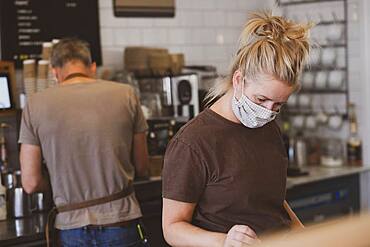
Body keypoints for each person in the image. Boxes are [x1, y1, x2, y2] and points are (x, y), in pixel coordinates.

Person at [162, 11, 312, 247]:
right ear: (239, 80)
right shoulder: (193, 143)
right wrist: (225, 241)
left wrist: (302, 232)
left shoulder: (268, 129)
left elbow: (269, 201)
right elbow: (172, 228)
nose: (268, 111)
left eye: (278, 105)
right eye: (261, 99)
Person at [19, 38, 150, 247]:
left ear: (54, 73)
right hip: (121, 220)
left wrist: (60, 184)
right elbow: (142, 166)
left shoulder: (34, 104)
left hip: (71, 229)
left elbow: (30, 182)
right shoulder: (126, 94)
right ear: (93, 67)